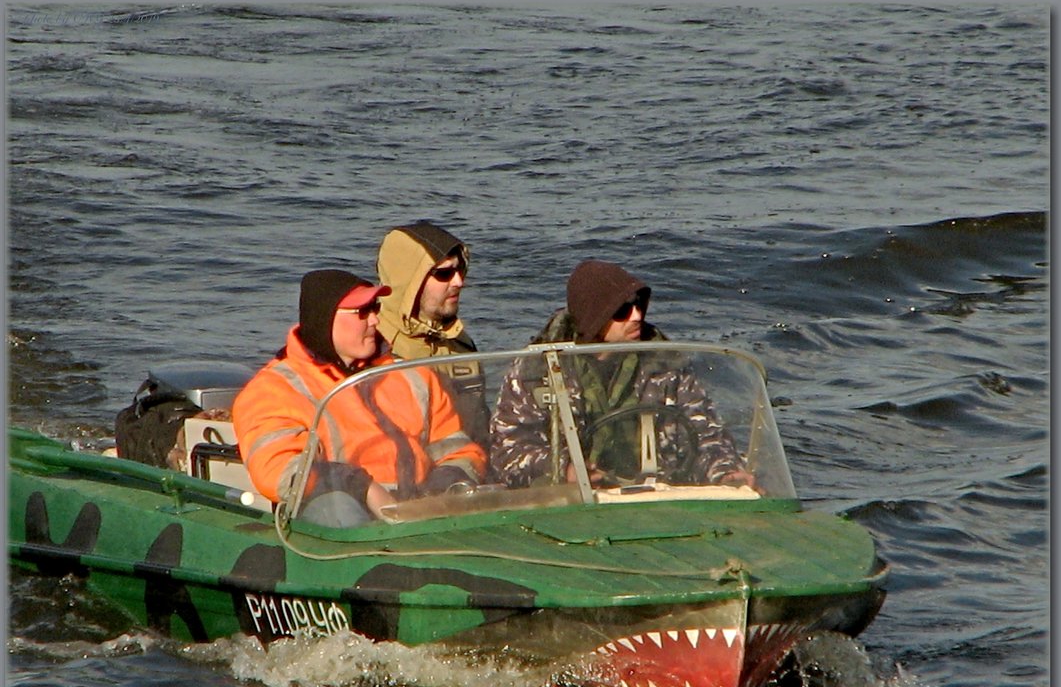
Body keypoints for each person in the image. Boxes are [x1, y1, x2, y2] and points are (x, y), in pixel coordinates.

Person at [233, 268, 486, 526]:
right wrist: (362, 487)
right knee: (337, 508)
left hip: (421, 516)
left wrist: (445, 484)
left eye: (375, 308)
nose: (375, 320)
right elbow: (280, 473)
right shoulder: (272, 390)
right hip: (345, 524)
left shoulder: (414, 375)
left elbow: (458, 448)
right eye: (362, 312)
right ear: (324, 318)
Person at [489, 259, 755, 489]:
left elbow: (706, 434)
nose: (637, 316)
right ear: (594, 317)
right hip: (569, 501)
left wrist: (725, 473)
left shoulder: (665, 365)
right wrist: (565, 470)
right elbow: (509, 449)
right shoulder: (537, 371)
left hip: (658, 496)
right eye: (623, 311)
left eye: (640, 305)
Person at [375, 221, 488, 446]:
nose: (458, 282)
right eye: (444, 273)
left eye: (459, 270)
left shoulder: (460, 343)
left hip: (468, 472)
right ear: (410, 282)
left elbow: (482, 432)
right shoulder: (374, 347)